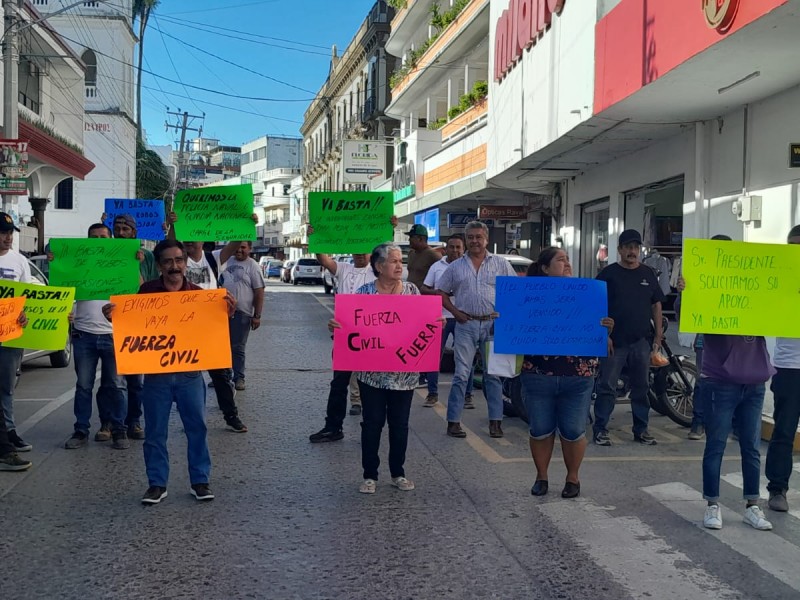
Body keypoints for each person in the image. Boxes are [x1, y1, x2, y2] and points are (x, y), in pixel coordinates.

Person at [103, 240, 236, 505]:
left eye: (178, 260)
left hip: (190, 375)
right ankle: (156, 484)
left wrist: (226, 314)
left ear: (185, 263)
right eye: (168, 261)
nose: (174, 266)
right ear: (160, 265)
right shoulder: (145, 293)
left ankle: (200, 481)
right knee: (154, 432)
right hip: (156, 377)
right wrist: (114, 317)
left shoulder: (201, 296)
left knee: (197, 428)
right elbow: (132, 327)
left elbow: (211, 333)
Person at [676, 236, 774, 531]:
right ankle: (712, 503)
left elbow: (778, 309)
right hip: (721, 381)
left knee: (751, 446)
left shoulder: (753, 287)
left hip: (754, 380)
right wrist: (686, 293)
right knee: (716, 444)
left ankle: (752, 505)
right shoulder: (706, 291)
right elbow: (688, 317)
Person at [328, 243, 424, 493]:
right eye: (393, 261)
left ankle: (398, 472)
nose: (398, 265)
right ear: (379, 267)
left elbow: (422, 324)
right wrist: (337, 327)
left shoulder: (412, 291)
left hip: (404, 374)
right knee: (372, 423)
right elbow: (350, 326)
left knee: (400, 424)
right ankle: (370, 474)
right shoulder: (364, 293)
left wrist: (434, 322)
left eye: (400, 261)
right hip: (371, 374)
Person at [520, 248, 614, 498]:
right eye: (560, 260)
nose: (567, 264)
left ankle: (573, 478)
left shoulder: (587, 293)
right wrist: (503, 318)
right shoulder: (528, 295)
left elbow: (600, 330)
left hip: (578, 375)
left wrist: (607, 327)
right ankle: (541, 476)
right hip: (539, 373)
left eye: (568, 259)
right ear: (545, 268)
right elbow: (514, 325)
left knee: (573, 430)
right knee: (540, 428)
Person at [435, 221, 517, 439]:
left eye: (478, 237)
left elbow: (515, 292)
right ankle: (453, 422)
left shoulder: (501, 264)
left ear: (487, 239)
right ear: (465, 239)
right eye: (470, 237)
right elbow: (441, 292)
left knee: (492, 376)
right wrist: (455, 311)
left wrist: (507, 319)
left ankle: (496, 422)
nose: (474, 241)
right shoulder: (455, 267)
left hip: (492, 325)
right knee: (461, 375)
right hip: (466, 324)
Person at [592, 229, 665, 446]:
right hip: (615, 342)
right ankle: (600, 430)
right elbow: (596, 307)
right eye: (628, 247)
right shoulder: (608, 274)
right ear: (620, 250)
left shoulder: (648, 273)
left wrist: (658, 337)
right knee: (607, 387)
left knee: (642, 388)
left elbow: (656, 305)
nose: (632, 251)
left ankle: (641, 430)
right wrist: (604, 336)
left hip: (641, 342)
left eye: (636, 247)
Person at [62, 224, 130, 450]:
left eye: (103, 237)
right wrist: (55, 260)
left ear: (111, 240)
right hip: (84, 335)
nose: (99, 240)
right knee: (83, 386)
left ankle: (119, 430)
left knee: (117, 385)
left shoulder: (123, 264)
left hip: (113, 334)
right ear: (87, 240)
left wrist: (135, 262)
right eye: (94, 237)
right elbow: (62, 289)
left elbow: (138, 291)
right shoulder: (77, 265)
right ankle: (81, 430)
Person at [308, 252, 374, 443]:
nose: (361, 253)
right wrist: (315, 238)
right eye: (357, 249)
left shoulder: (377, 271)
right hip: (344, 336)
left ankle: (370, 430)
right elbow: (323, 259)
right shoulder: (344, 268)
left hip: (370, 338)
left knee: (369, 385)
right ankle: (333, 427)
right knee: (338, 383)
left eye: (365, 249)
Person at [182, 241, 247, 433]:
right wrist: (173, 224)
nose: (190, 240)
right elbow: (171, 241)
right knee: (187, 377)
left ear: (202, 239)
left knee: (221, 375)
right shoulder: (179, 259)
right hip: (184, 327)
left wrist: (247, 222)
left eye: (195, 235)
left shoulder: (213, 258)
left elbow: (235, 241)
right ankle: (190, 420)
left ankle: (231, 416)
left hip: (211, 327)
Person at [111, 213, 159, 440]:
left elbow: (149, 291)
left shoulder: (147, 257)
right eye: (117, 228)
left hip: (138, 326)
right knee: (114, 382)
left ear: (134, 232)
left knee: (136, 382)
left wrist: (136, 267)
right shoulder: (106, 253)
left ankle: (134, 421)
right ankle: (113, 424)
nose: (120, 233)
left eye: (125, 229)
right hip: (111, 324)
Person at [765, 225, 800, 512]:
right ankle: (777, 489)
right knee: (784, 431)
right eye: (793, 246)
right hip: (789, 367)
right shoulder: (776, 279)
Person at [420, 233, 475, 408]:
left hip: (464, 319)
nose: (455, 251)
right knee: (434, 357)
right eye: (452, 247)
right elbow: (424, 288)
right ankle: (432, 393)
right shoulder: (437, 267)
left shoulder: (471, 266)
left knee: (466, 358)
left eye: (458, 247)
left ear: (464, 248)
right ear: (446, 248)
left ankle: (467, 395)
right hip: (440, 318)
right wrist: (439, 293)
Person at [0, 211, 39, 453]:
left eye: (9, 233)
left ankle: (9, 431)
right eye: (3, 233)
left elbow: (27, 297)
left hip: (9, 334)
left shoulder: (19, 261)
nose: (8, 238)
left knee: (7, 386)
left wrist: (24, 314)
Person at [219, 241, 264, 391]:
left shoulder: (253, 266)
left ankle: (239, 378)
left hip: (242, 313)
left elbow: (259, 292)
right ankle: (223, 377)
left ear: (250, 249)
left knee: (237, 347)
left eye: (243, 247)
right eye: (237, 247)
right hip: (221, 312)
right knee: (222, 346)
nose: (239, 250)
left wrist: (257, 315)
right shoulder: (225, 261)